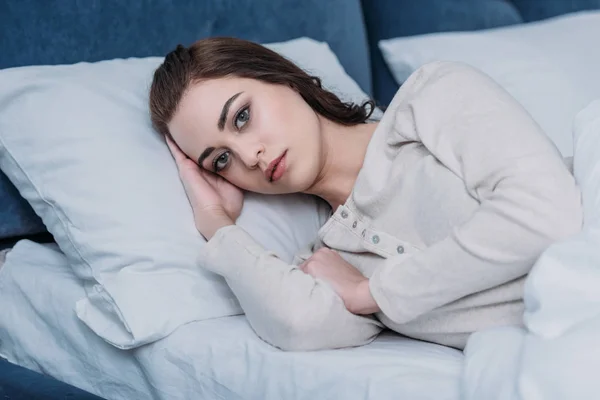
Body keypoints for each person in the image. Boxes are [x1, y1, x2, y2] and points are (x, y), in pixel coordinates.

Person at [148, 37, 582, 351]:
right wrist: (219, 226)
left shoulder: (431, 99)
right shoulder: (328, 261)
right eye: (220, 160)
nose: (249, 155)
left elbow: (545, 216)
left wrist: (372, 294)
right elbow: (300, 324)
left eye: (242, 117)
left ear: (284, 79)